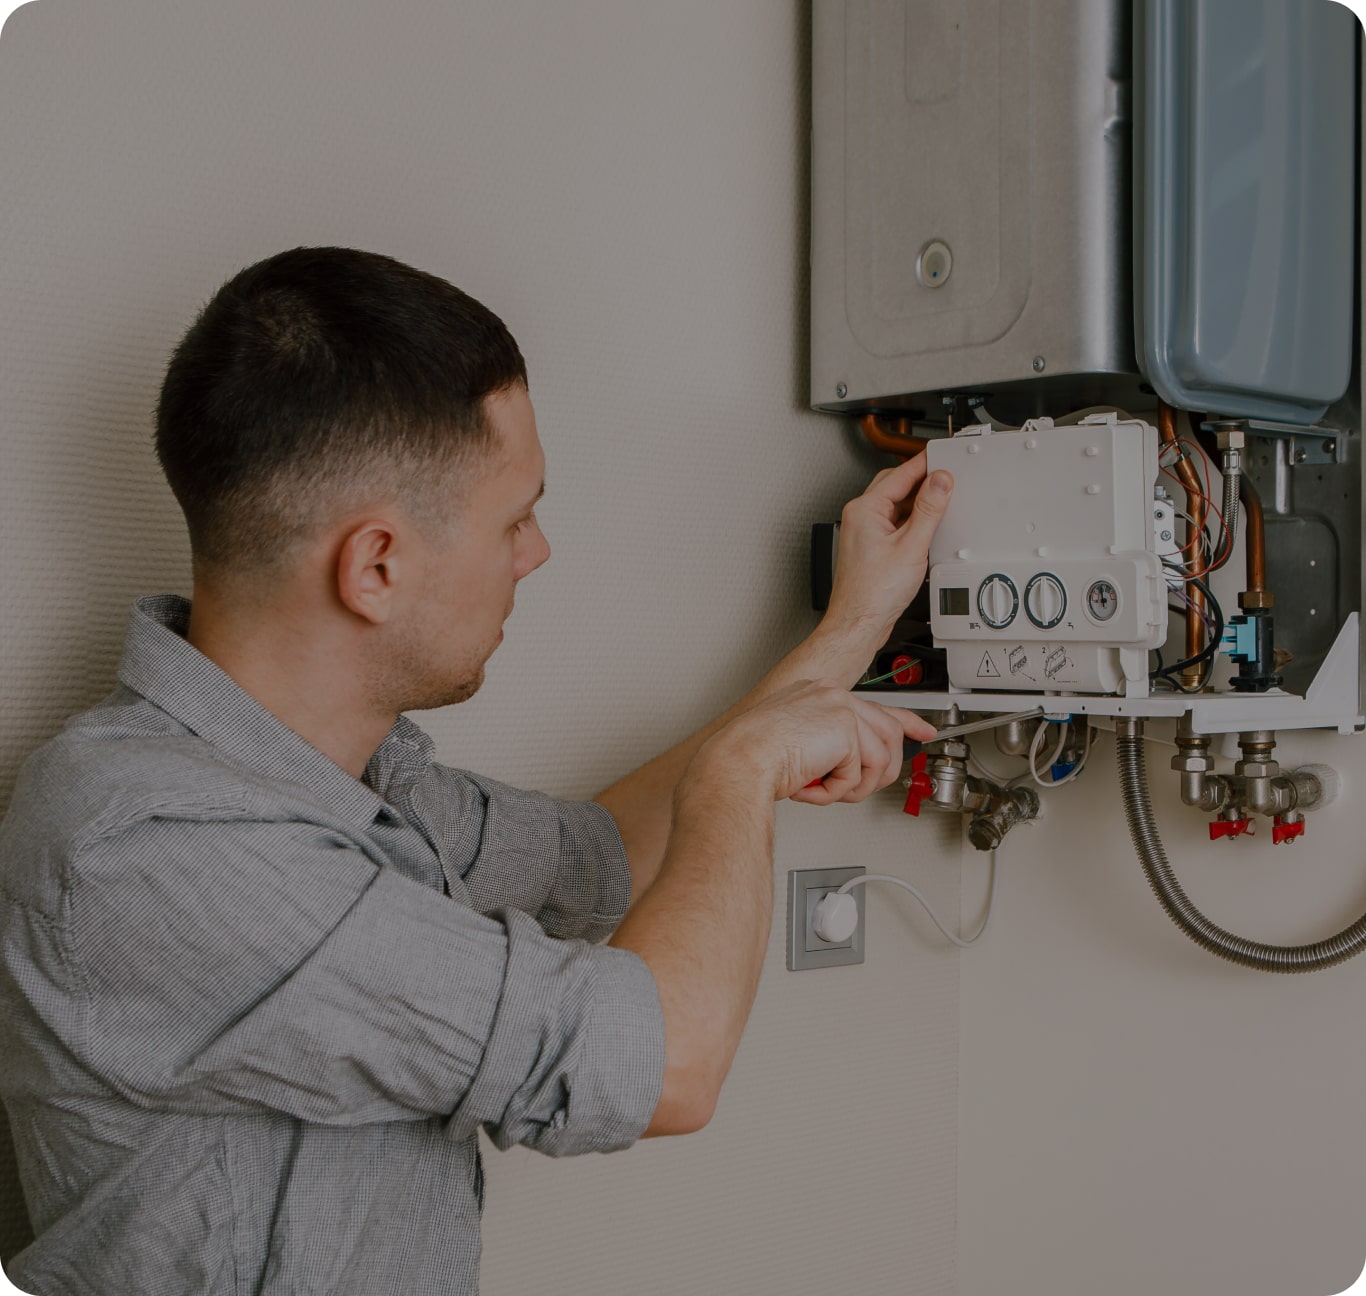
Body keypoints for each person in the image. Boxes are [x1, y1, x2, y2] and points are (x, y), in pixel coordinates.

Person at [0, 246, 952, 1295]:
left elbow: (599, 859)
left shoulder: (355, 783)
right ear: (376, 567)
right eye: (515, 517)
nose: (535, 552)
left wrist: (850, 631)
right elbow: (668, 1065)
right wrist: (741, 773)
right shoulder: (148, 844)